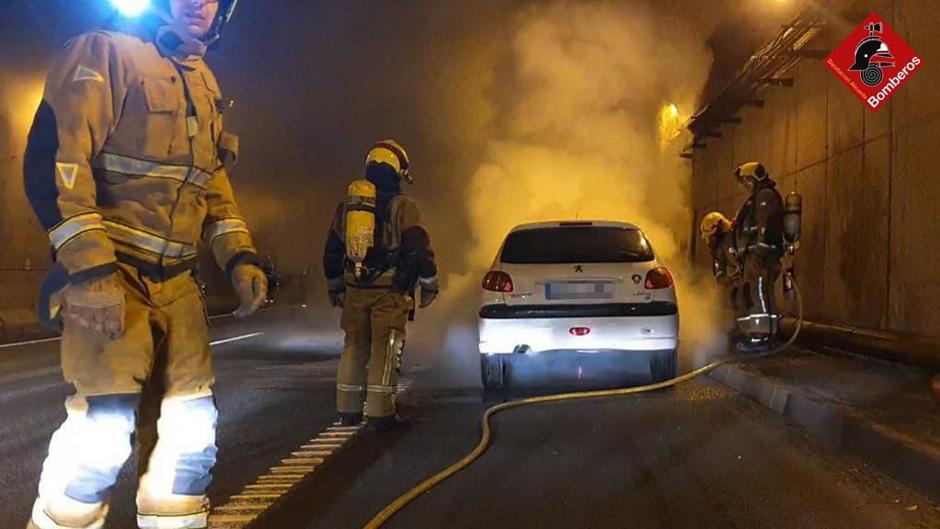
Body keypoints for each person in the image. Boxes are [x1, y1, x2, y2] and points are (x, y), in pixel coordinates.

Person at [23, 1, 266, 528]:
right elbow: (56, 164)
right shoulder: (104, 53)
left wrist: (239, 257)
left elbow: (212, 188)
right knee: (102, 434)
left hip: (179, 287)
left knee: (189, 440)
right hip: (114, 278)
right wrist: (90, 272)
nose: (201, 3)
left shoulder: (202, 78)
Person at [323, 140, 439, 432]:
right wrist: (427, 283)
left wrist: (335, 285)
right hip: (388, 290)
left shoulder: (347, 207)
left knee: (354, 345)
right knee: (385, 349)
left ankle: (347, 411)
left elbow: (332, 250)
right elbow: (418, 247)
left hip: (354, 288)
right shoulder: (404, 206)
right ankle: (380, 414)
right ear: (397, 170)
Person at [731, 162, 784, 352]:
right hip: (756, 256)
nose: (744, 185)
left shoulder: (764, 197)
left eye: (745, 181)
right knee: (757, 293)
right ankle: (762, 335)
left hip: (761, 257)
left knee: (759, 293)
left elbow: (764, 227)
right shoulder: (759, 197)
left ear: (753, 179)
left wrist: (759, 253)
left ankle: (762, 337)